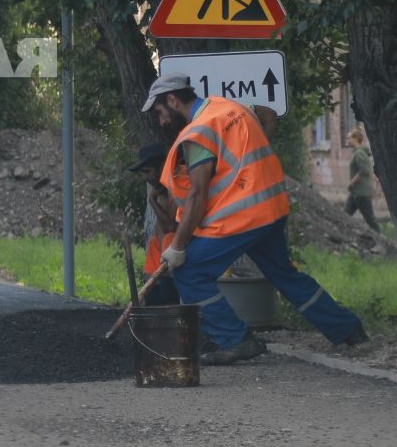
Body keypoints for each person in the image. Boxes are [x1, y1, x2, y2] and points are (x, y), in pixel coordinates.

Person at [144, 71, 368, 364]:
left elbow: (198, 193)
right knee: (284, 274)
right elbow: (265, 121)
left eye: (160, 112)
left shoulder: (199, 131)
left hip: (242, 217)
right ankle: (348, 329)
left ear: (172, 100)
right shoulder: (230, 109)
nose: (161, 122)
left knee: (190, 272)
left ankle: (235, 340)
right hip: (270, 208)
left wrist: (178, 246)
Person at [127, 143, 181, 305]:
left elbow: (171, 227)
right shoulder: (162, 193)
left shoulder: (176, 187)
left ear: (162, 167)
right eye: (142, 174)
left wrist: (152, 200)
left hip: (174, 271)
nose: (145, 178)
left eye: (148, 172)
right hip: (158, 272)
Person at [344, 126, 380, 231]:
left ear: (356, 139)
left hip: (361, 192)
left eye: (349, 138)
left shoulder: (359, 153)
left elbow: (364, 171)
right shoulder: (358, 153)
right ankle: (341, 237)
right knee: (344, 216)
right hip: (356, 192)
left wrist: (351, 183)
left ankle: (382, 240)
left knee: (370, 219)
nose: (348, 140)